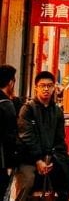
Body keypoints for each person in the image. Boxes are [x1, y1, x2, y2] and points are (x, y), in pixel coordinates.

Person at [15, 71, 69, 201]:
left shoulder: (57, 111)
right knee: (28, 182)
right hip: (29, 157)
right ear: (36, 87)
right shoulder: (28, 109)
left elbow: (60, 138)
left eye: (49, 85)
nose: (46, 89)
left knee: (67, 175)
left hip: (51, 156)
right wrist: (38, 160)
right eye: (42, 85)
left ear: (54, 88)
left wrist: (57, 157)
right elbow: (27, 137)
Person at [0, 65, 18, 198]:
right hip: (2, 162)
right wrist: (10, 163)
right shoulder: (7, 105)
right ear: (11, 83)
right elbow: (9, 137)